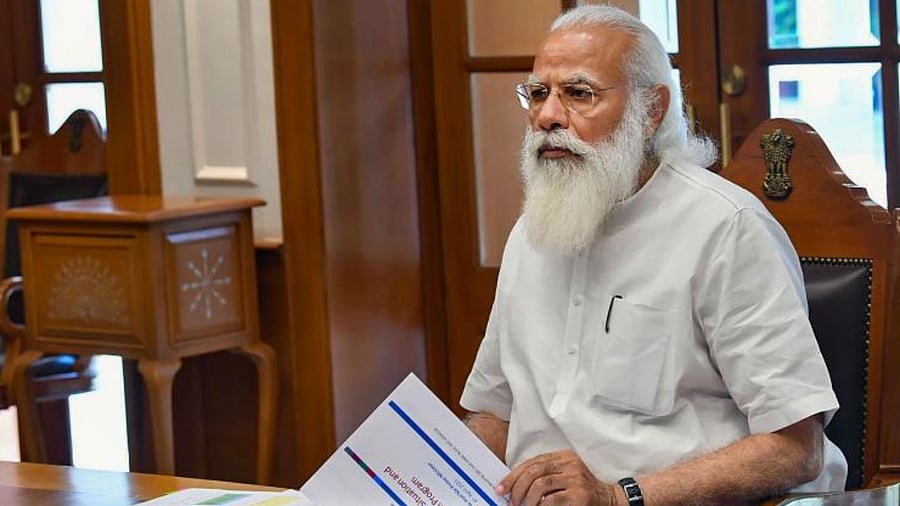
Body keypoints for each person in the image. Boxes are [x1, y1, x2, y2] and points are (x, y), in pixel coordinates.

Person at [460, 4, 848, 506]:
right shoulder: (531, 231)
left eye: (579, 94)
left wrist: (616, 497)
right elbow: (495, 414)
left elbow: (796, 448)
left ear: (651, 110)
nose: (548, 116)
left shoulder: (725, 228)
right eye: (538, 94)